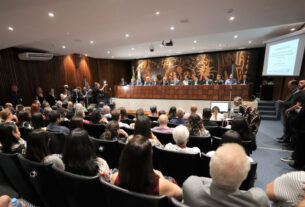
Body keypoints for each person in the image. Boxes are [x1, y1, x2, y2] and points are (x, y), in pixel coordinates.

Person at [183, 143, 270, 207]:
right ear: (245, 175)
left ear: (210, 167)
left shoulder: (190, 186)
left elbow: (197, 179)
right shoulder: (259, 200)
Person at [111, 134, 182, 198]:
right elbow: (181, 194)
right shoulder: (161, 186)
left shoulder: (114, 178)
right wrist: (162, 179)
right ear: (149, 160)